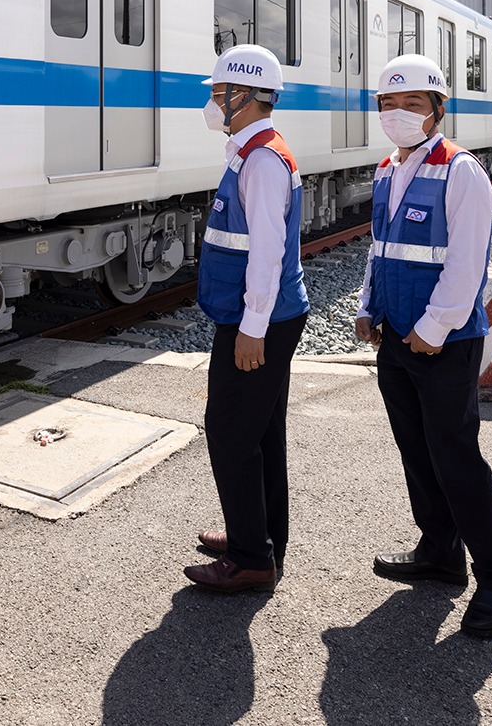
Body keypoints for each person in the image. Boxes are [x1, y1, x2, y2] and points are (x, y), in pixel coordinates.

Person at [354, 54, 492, 639]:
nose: (399, 114)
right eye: (389, 104)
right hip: (396, 336)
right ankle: (439, 552)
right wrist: (366, 307)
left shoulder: (462, 172)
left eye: (413, 104)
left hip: (443, 341)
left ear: (438, 110)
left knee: (455, 455)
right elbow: (381, 248)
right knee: (415, 449)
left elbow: (468, 258)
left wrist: (435, 326)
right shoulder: (385, 169)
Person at [186, 44, 308, 594]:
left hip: (257, 320)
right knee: (261, 433)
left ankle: (249, 560)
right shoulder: (253, 150)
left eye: (217, 93)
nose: (212, 103)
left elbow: (267, 251)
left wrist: (251, 329)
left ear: (242, 95)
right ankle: (260, 538)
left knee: (231, 433)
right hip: (257, 315)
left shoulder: (261, 159)